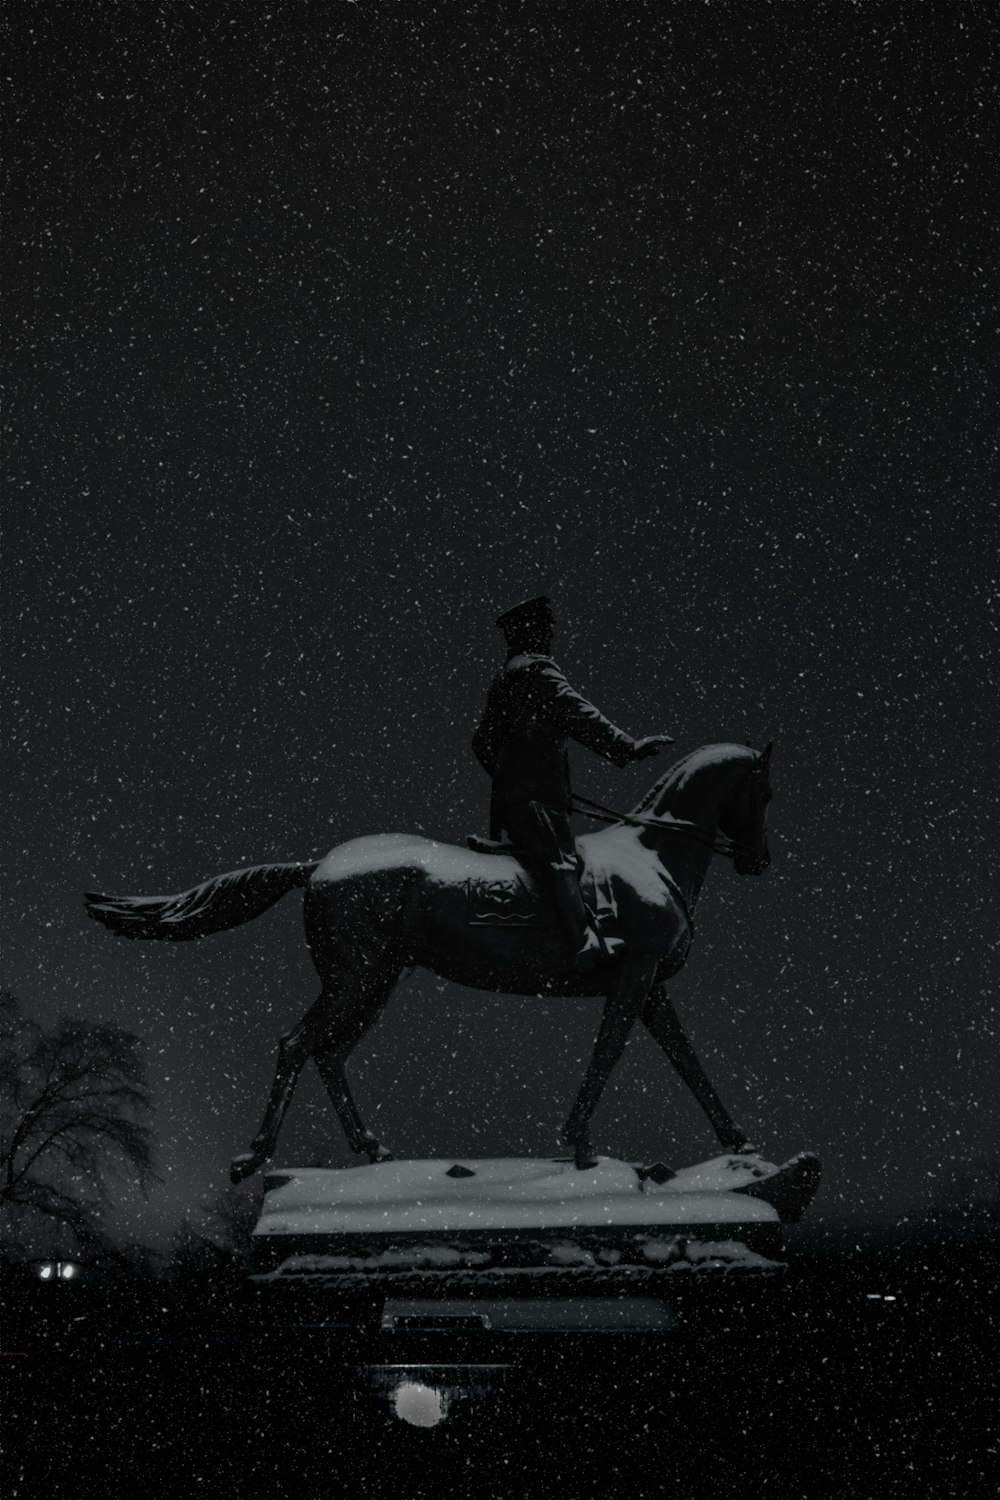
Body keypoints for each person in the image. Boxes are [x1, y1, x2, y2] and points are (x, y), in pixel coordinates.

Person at [472, 594, 675, 969]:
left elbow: (480, 742)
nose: (550, 635)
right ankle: (584, 943)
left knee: (551, 861)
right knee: (561, 861)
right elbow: (579, 714)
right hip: (536, 797)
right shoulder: (537, 670)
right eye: (546, 629)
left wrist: (508, 776)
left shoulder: (504, 677)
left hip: (514, 798)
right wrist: (628, 747)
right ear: (532, 631)